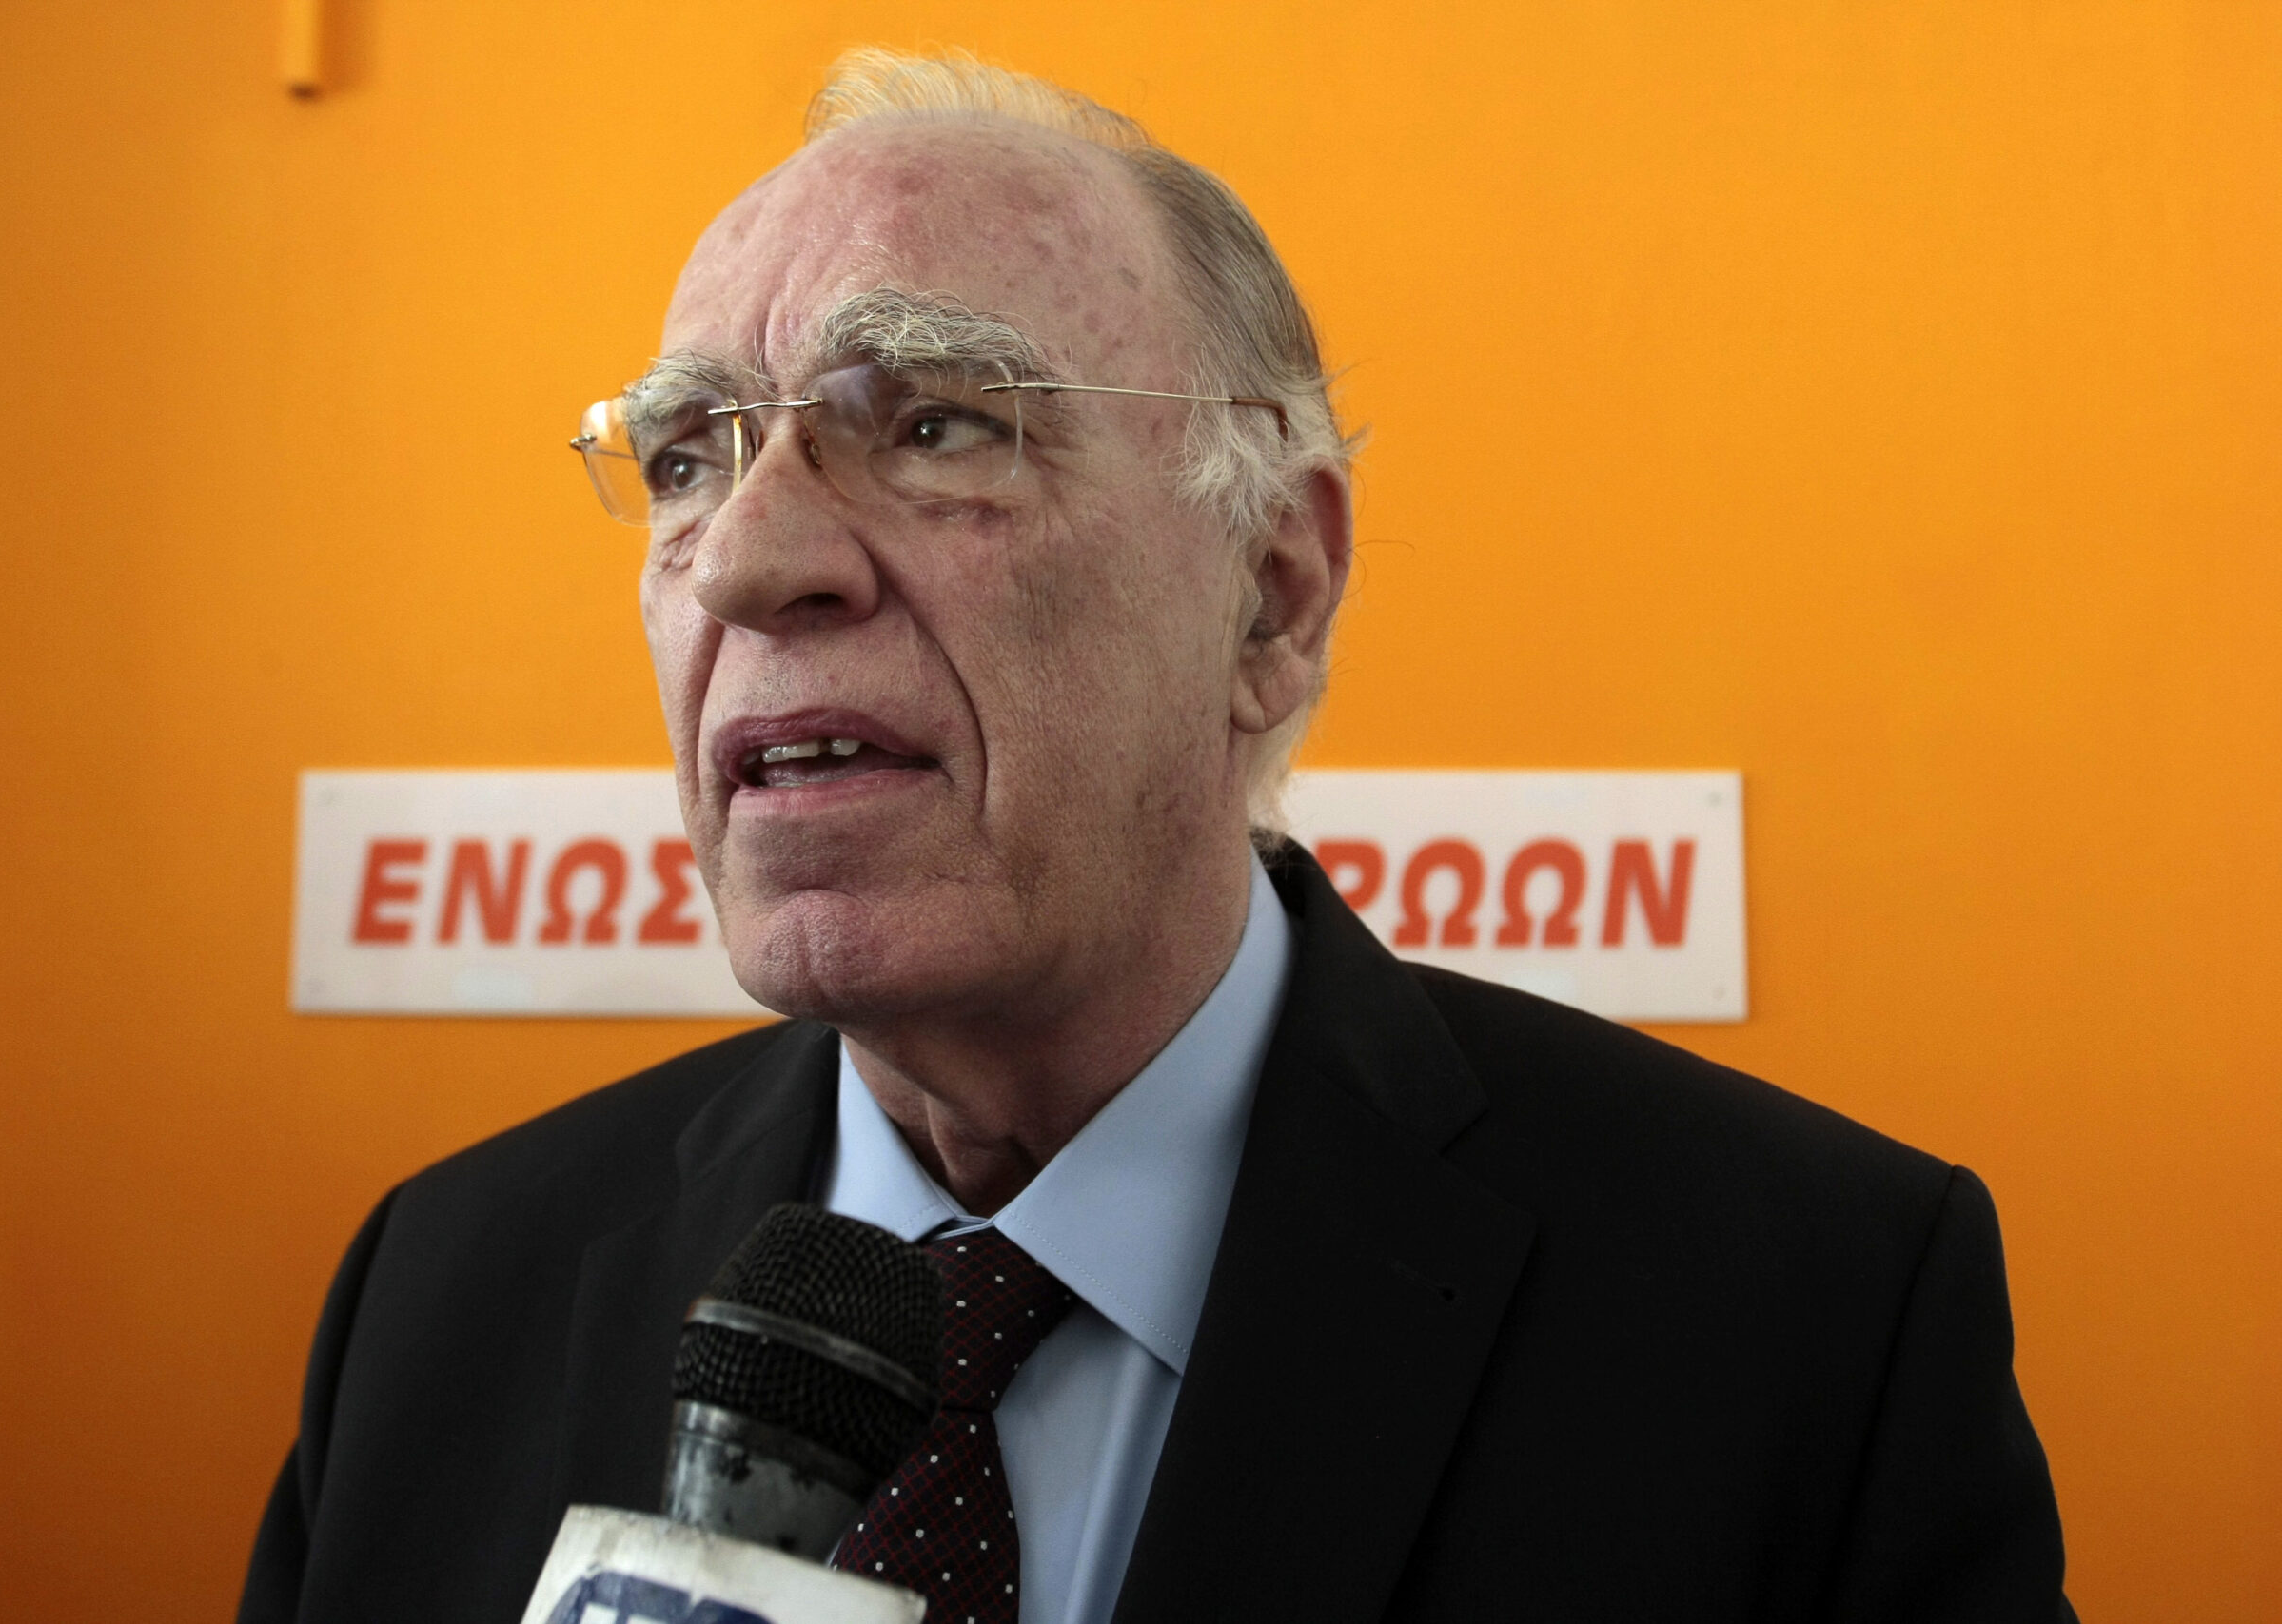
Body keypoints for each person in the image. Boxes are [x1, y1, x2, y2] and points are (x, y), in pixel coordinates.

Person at [240, 49, 2075, 1624]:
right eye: (683, 458)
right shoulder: (440, 1294)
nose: (745, 558)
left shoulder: (1805, 1316)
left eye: (937, 424)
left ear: (1271, 594)